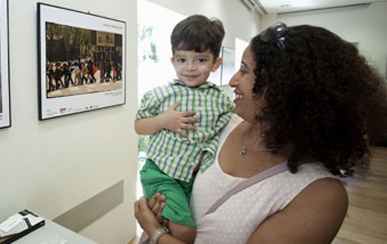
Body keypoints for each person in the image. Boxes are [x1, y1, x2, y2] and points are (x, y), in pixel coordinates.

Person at [134, 22, 387, 244]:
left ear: (283, 88)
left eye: (244, 70)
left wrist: (156, 233)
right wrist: (165, 214)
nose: (232, 80)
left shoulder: (320, 197)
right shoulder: (224, 125)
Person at [135, 15, 235, 244]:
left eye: (200, 60)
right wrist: (163, 121)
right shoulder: (162, 94)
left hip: (190, 177)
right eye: (182, 59)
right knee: (186, 233)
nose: (189, 67)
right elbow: (139, 126)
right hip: (161, 173)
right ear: (172, 61)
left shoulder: (220, 100)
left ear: (215, 63)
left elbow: (225, 127)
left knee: (174, 223)